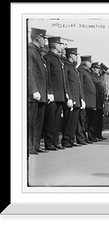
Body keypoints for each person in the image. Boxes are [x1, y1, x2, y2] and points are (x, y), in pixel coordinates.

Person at [43, 36, 73, 151]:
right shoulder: (48, 58)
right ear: (55, 45)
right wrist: (49, 92)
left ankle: (55, 141)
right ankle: (49, 142)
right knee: (50, 120)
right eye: (60, 44)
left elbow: (64, 80)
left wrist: (66, 94)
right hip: (53, 95)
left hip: (60, 95)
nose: (62, 47)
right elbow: (47, 77)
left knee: (56, 121)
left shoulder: (59, 60)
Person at [27, 27, 49, 155]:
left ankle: (35, 146)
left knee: (38, 122)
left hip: (41, 94)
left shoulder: (37, 52)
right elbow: (29, 72)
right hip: (33, 94)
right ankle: (29, 146)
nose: (45, 41)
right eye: (43, 38)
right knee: (31, 122)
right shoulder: (30, 51)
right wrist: (33, 89)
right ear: (37, 38)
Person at [61, 48, 84, 147]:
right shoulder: (66, 66)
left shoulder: (73, 67)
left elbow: (77, 85)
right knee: (68, 121)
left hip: (76, 99)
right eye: (75, 55)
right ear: (70, 55)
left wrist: (80, 98)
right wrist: (68, 97)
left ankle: (71, 139)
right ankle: (65, 140)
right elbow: (66, 83)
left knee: (73, 121)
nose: (76, 57)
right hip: (71, 98)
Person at [76, 55, 95, 144]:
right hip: (84, 99)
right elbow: (80, 86)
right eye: (89, 61)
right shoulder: (80, 70)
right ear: (84, 62)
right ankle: (80, 138)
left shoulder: (86, 71)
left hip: (89, 100)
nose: (91, 63)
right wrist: (82, 98)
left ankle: (84, 137)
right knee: (81, 120)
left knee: (85, 120)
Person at [90, 62, 106, 141]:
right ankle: (92, 136)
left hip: (100, 102)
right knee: (93, 120)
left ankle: (98, 135)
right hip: (95, 101)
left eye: (99, 68)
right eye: (96, 68)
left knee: (99, 120)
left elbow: (102, 90)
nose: (98, 70)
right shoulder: (92, 77)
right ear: (93, 69)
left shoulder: (98, 77)